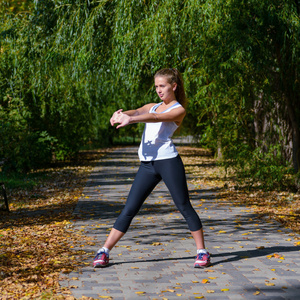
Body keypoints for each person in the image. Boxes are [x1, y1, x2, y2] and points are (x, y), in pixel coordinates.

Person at [93, 68, 210, 268]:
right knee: (129, 208)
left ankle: (202, 252)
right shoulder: (153, 106)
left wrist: (132, 120)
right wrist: (121, 114)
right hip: (147, 165)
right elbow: (138, 111)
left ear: (173, 86)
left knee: (183, 206)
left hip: (168, 162)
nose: (158, 90)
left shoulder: (178, 109)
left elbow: (155, 118)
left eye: (162, 86)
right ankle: (104, 251)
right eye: (156, 86)